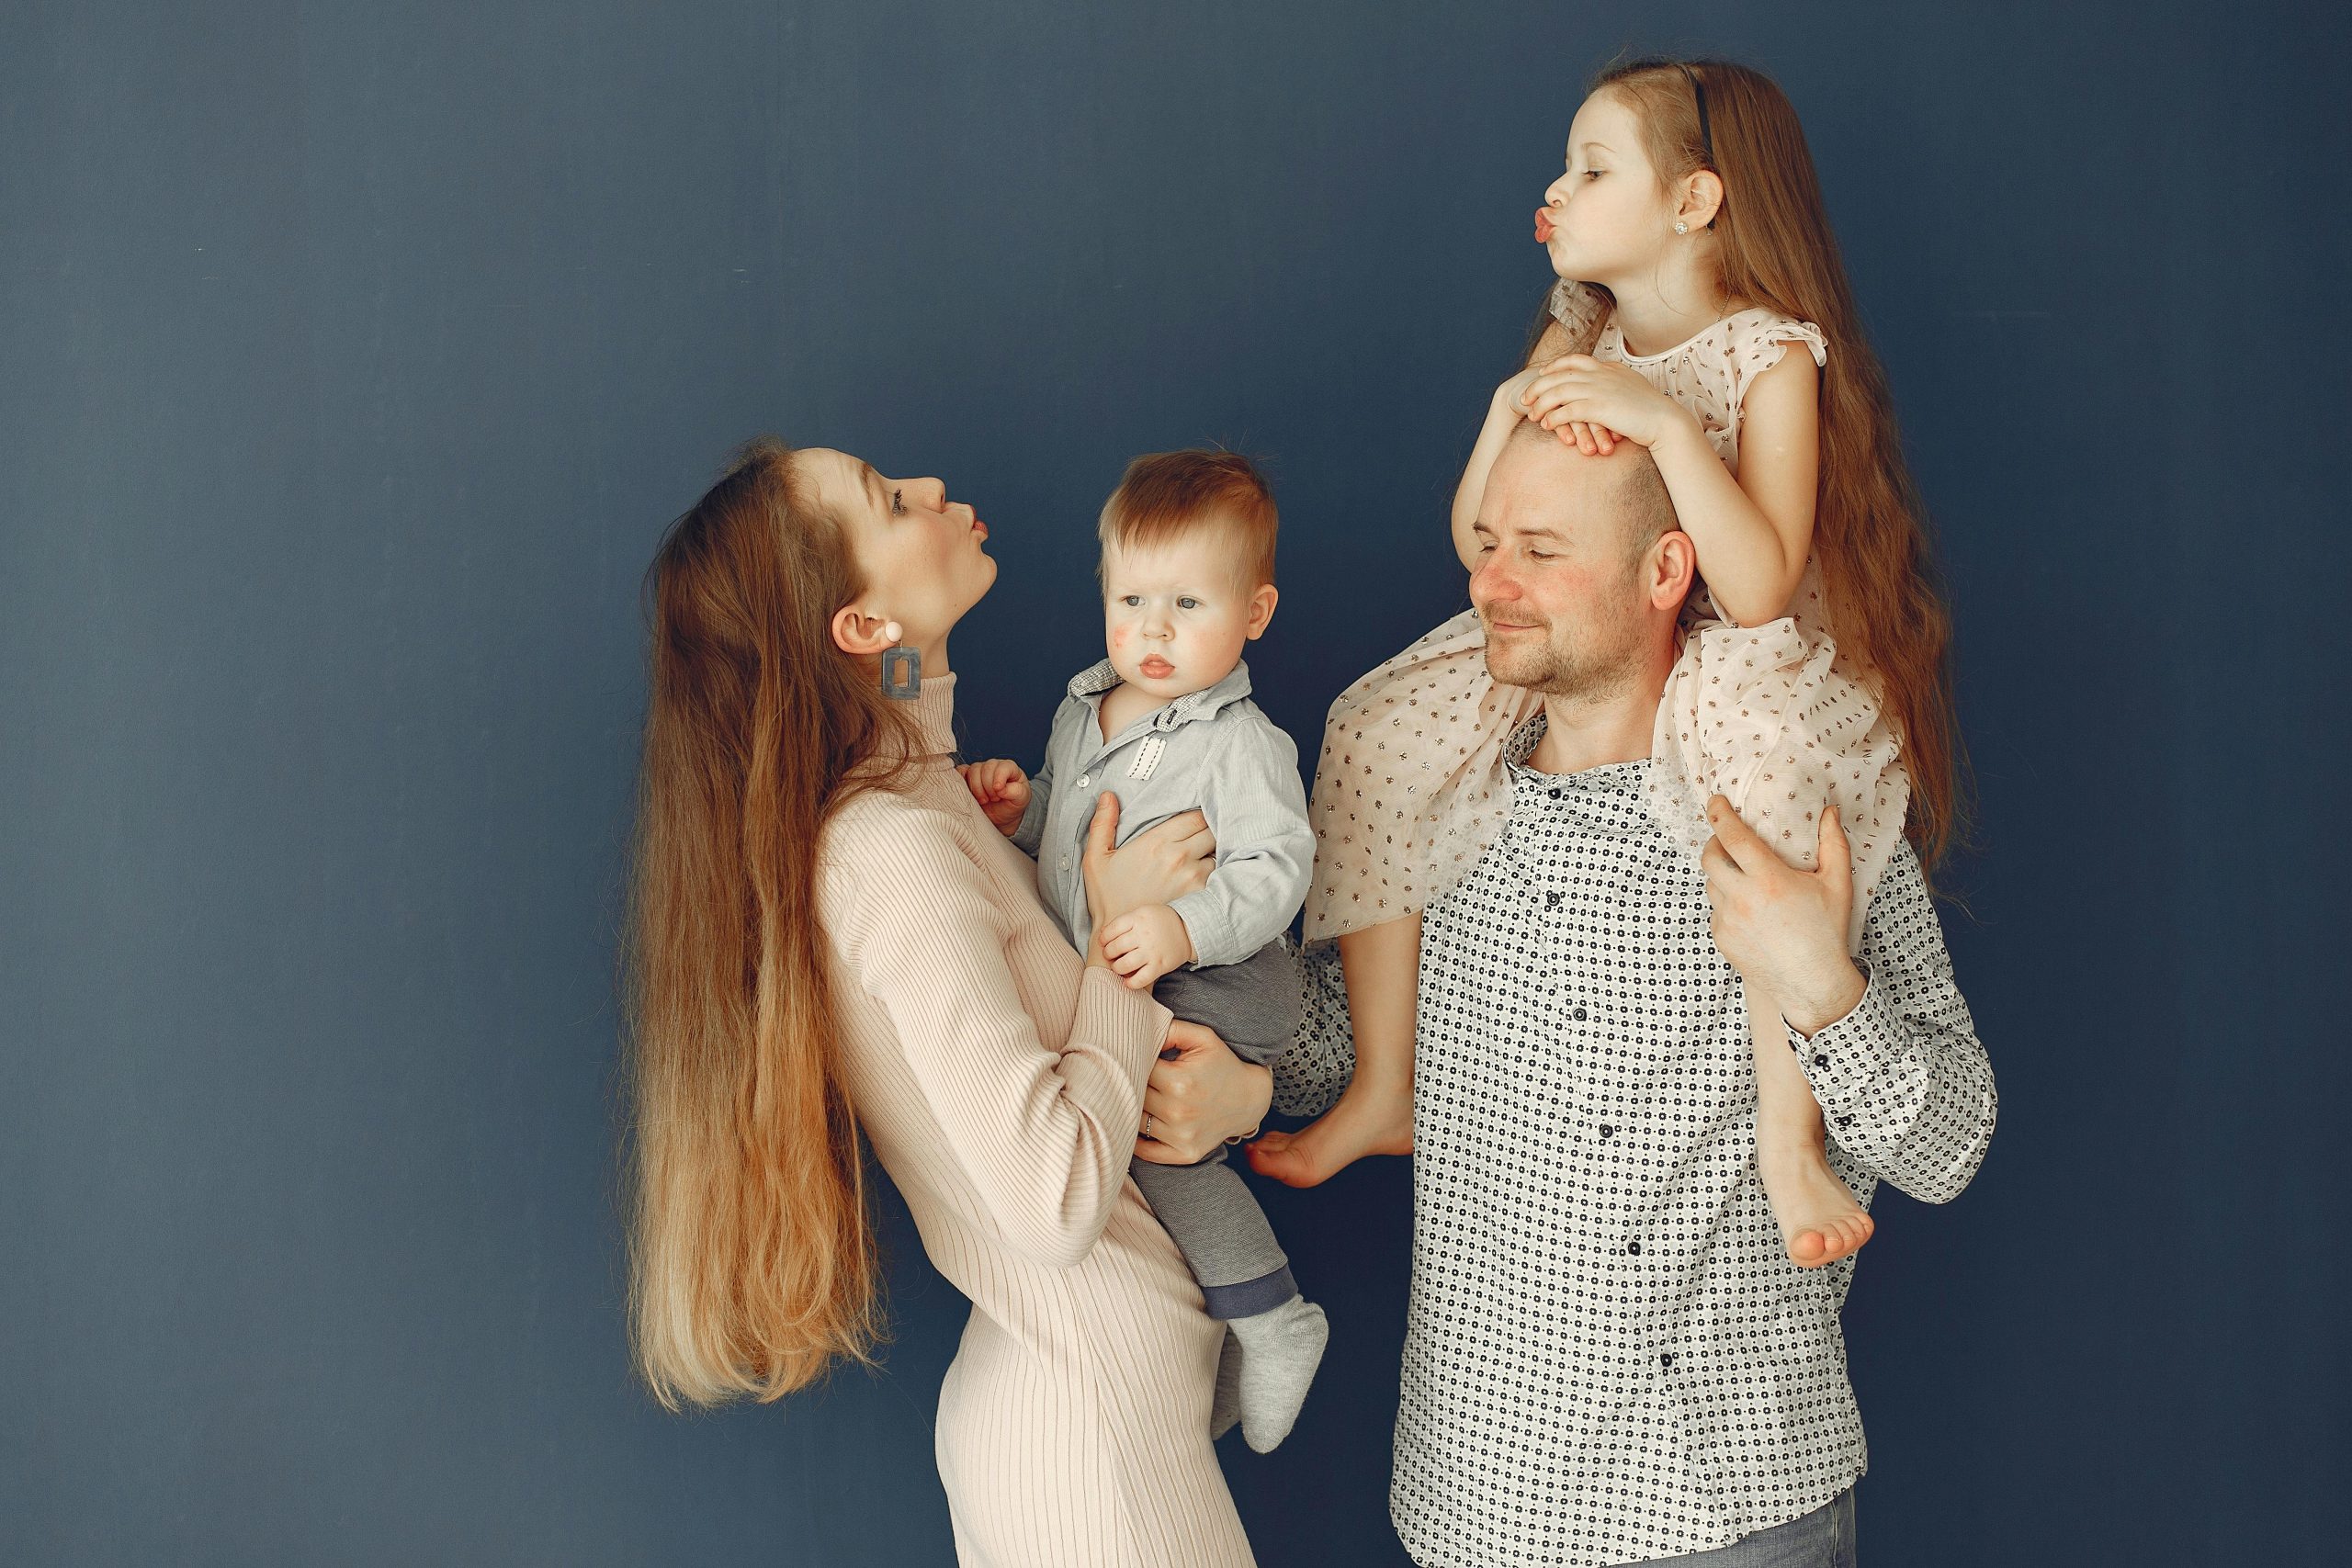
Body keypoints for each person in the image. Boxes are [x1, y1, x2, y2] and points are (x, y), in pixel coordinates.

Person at [1255, 59, 1958, 1278]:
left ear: (1695, 201)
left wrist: (1665, 424)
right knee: (1374, 728)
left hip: (1732, 645)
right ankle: (1383, 1079)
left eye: (1592, 168)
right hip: (1598, 633)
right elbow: (1484, 536)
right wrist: (1509, 406)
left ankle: (1793, 1132)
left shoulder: (1765, 355)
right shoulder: (1582, 324)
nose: (1556, 190)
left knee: (1770, 793)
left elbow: (1758, 587)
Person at [1272, 426, 1996, 1563]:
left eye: (1542, 552)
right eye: (1488, 545)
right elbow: (1345, 1046)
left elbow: (1948, 1146)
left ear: (1665, 572)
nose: (1489, 586)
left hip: (1732, 1508)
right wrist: (1241, 1069)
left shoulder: (1793, 802)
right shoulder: (1432, 809)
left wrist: (1818, 982)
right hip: (1479, 1501)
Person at [620, 440, 1272, 1567]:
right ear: (864, 627)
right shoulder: (895, 850)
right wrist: (1122, 957)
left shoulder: (929, 808)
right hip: (1090, 1448)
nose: (935, 492)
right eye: (890, 501)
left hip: (1098, 1416)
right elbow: (1054, 1201)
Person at [960, 450, 1328, 1453]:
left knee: (1148, 1145)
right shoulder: (1086, 709)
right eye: (1131, 600)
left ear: (1254, 613)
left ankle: (1271, 1315)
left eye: (1187, 605)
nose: (1153, 631)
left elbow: (1279, 864)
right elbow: (1080, 848)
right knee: (1125, 1151)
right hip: (1146, 967)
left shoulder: (1243, 743)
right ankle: (1217, 1347)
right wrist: (1022, 809)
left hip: (1226, 974)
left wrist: (1185, 927)